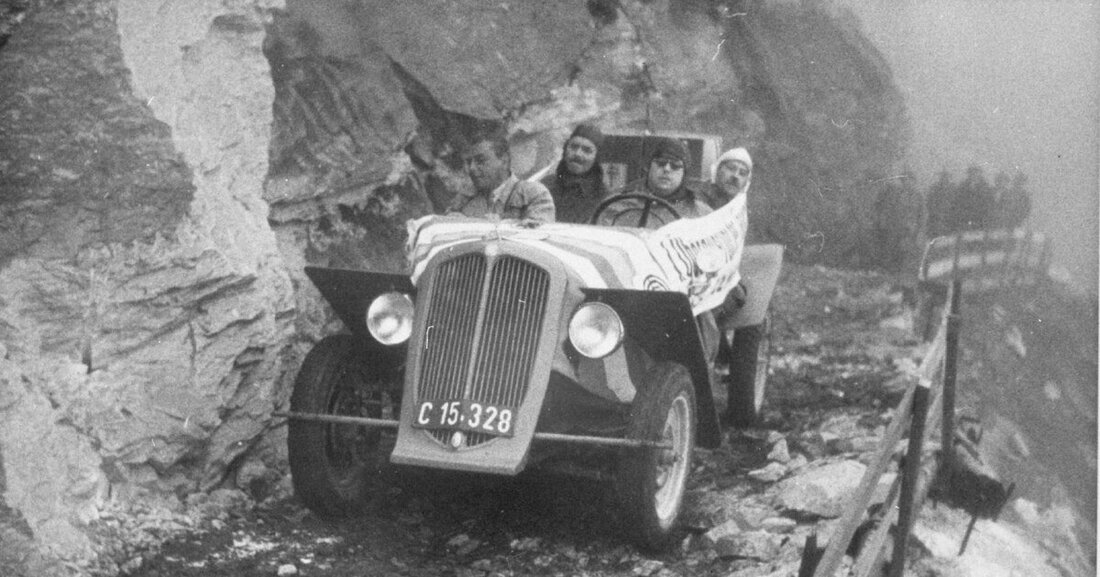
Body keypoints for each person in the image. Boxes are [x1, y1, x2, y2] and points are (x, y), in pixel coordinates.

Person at [447, 129, 556, 224]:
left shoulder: (533, 194)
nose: (471, 168)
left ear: (504, 160)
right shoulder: (464, 199)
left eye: (481, 161)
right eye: (469, 162)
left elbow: (540, 235)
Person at [604, 136, 711, 227]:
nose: (667, 169)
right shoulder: (616, 203)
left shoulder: (701, 215)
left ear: (684, 174)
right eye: (661, 163)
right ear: (649, 167)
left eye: (675, 166)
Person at [540, 124, 610, 223]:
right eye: (573, 147)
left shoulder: (603, 196)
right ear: (565, 150)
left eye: (587, 150)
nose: (577, 154)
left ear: (596, 158)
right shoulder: (544, 187)